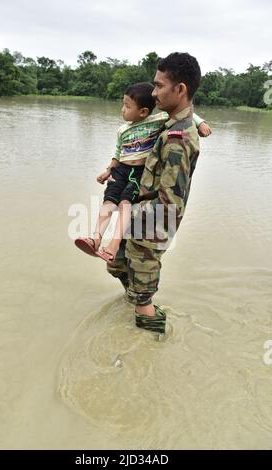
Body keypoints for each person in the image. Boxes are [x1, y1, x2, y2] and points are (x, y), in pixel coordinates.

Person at [106, 52, 203, 335]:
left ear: (180, 89)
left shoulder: (178, 139)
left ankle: (152, 338)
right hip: (138, 218)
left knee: (142, 296)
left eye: (159, 86)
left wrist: (126, 215)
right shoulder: (167, 124)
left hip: (150, 225)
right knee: (117, 266)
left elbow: (169, 204)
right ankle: (137, 299)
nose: (153, 92)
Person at [75, 81, 211, 264]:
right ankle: (95, 238)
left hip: (137, 172)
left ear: (143, 112)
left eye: (127, 106)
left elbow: (187, 115)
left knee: (125, 204)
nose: (122, 109)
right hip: (121, 170)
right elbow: (118, 152)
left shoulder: (157, 120)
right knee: (108, 202)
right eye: (123, 104)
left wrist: (201, 123)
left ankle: (113, 245)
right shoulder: (122, 130)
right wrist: (108, 170)